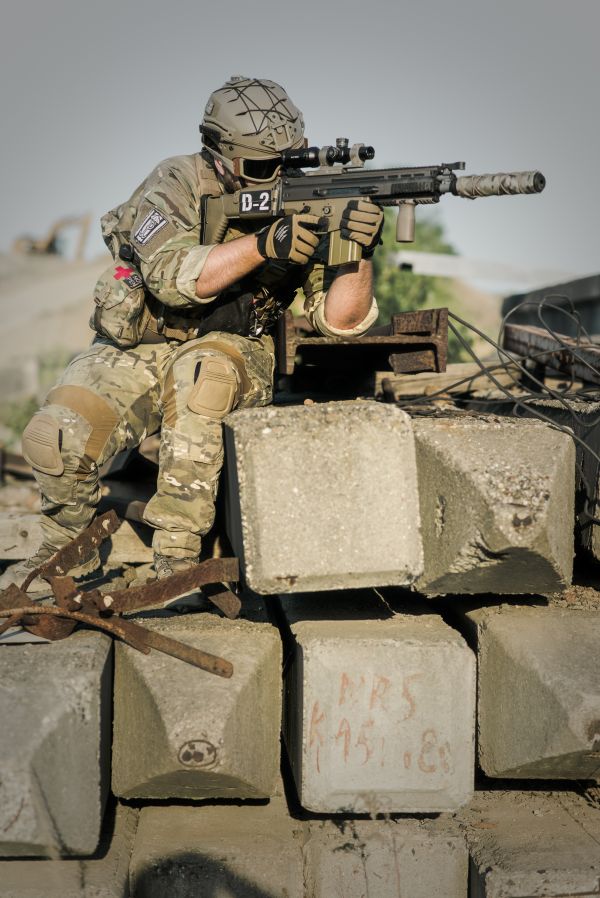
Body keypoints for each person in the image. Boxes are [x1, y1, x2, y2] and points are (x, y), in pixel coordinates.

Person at [1, 76, 383, 591]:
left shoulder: (310, 202)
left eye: (286, 164)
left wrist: (357, 252)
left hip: (233, 347)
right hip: (142, 345)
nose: (273, 180)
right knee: (54, 435)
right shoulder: (176, 182)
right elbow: (172, 275)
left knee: (207, 379)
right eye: (259, 169)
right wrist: (266, 245)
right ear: (220, 155)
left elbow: (339, 322)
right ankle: (65, 551)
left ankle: (178, 561)